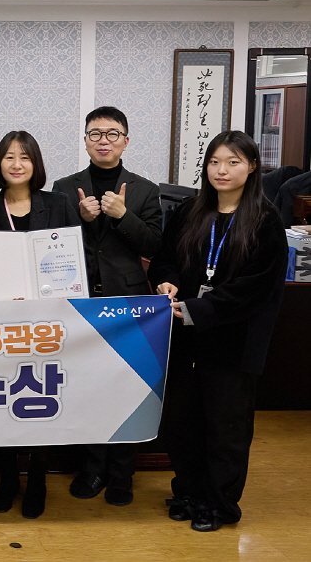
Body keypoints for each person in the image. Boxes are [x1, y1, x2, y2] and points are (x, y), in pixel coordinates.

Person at [148, 131, 288, 532]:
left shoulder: (265, 221)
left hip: (233, 342)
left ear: (252, 167)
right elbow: (164, 259)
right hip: (184, 338)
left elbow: (254, 289)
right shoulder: (190, 211)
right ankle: (188, 491)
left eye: (233, 162)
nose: (221, 170)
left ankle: (220, 503)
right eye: (214, 162)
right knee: (183, 422)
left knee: (226, 427)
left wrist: (196, 309)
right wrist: (167, 282)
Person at [52, 106, 161, 506]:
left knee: (126, 387)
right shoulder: (64, 188)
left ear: (125, 141)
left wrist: (122, 216)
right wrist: (80, 220)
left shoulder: (145, 189)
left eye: (112, 134)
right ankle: (92, 468)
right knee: (88, 386)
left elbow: (155, 245)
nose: (103, 141)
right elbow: (52, 246)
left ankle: (121, 474)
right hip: (80, 301)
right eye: (95, 133)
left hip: (126, 302)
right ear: (85, 141)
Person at [0, 131, 79, 519]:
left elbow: (74, 261)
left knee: (40, 399)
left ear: (35, 164)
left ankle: (37, 478)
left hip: (48, 321)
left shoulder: (58, 205)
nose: (16, 164)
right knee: (3, 399)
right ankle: (7, 478)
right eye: (9, 156)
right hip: (2, 323)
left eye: (24, 157)